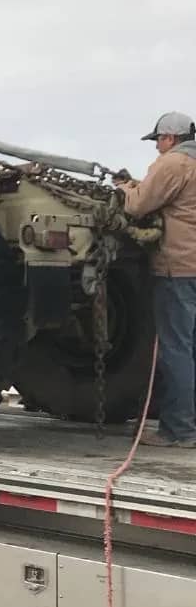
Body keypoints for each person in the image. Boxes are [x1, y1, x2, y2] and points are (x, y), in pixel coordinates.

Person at [117, 111, 196, 448]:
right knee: (190, 348)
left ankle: (179, 430)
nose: (157, 148)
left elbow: (137, 206)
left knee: (175, 350)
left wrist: (124, 188)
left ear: (170, 138)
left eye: (158, 141)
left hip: (177, 268)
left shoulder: (173, 163)